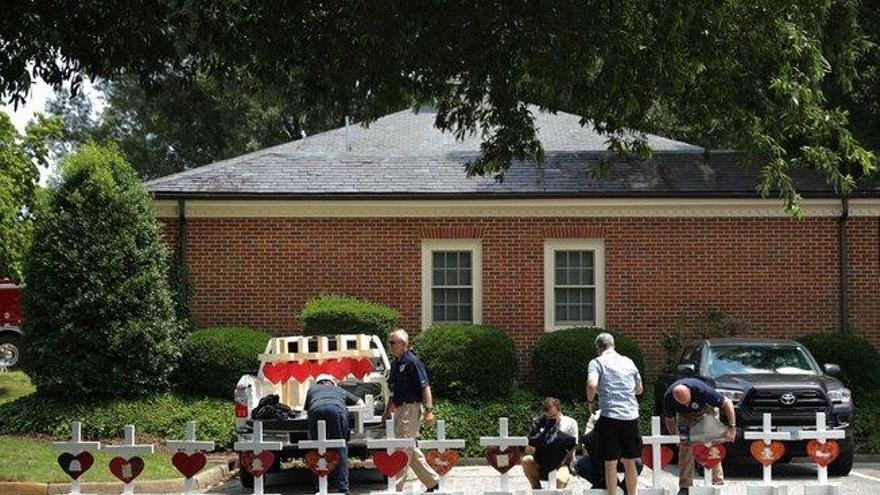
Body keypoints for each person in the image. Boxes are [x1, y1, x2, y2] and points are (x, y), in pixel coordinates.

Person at [380, 329, 440, 492]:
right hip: (398, 408)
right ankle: (432, 481)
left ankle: (397, 485)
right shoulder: (395, 364)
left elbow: (425, 387)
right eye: (389, 342)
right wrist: (386, 412)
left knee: (403, 446)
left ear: (404, 344)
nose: (390, 345)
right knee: (409, 446)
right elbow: (393, 392)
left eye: (393, 342)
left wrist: (429, 410)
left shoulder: (413, 362)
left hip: (411, 407)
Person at [586, 333, 643, 495]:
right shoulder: (628, 361)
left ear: (598, 348)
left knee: (610, 462)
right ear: (613, 345)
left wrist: (590, 402)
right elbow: (639, 389)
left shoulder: (597, 362)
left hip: (609, 415)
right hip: (631, 415)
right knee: (630, 461)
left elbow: (591, 385)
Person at [662, 378, 737, 495]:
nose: (688, 405)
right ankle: (685, 487)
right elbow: (669, 419)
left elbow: (727, 403)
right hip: (685, 416)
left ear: (690, 393)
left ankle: (717, 482)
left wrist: (732, 427)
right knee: (685, 447)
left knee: (711, 445)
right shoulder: (668, 397)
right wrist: (675, 436)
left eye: (688, 401)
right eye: (684, 403)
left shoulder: (702, 390)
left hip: (706, 411)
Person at [304, 374, 364, 495]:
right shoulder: (339, 389)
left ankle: (318, 486)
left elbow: (306, 408)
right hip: (336, 410)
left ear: (318, 382)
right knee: (340, 446)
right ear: (332, 383)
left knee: (317, 447)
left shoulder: (312, 389)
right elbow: (360, 403)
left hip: (315, 411)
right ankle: (343, 487)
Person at [573, 412, 644, 495]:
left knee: (636, 463)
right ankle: (603, 483)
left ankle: (625, 487)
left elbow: (637, 447)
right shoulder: (589, 438)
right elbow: (595, 458)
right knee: (582, 464)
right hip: (601, 462)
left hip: (622, 459)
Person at [522, 397, 579, 489]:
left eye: (553, 416)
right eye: (548, 417)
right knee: (526, 460)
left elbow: (573, 447)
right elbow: (528, 447)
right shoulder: (540, 423)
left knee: (560, 480)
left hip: (561, 463)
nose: (550, 419)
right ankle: (536, 489)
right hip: (541, 462)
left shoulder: (570, 423)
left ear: (559, 410)